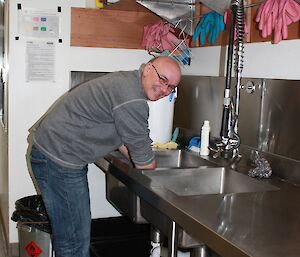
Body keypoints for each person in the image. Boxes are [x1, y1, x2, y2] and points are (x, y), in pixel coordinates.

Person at [27, 56, 181, 257]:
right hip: (58, 160)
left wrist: (138, 153)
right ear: (148, 69)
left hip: (54, 155)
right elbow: (145, 163)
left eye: (171, 88)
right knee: (73, 244)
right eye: (163, 80)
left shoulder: (128, 83)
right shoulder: (133, 98)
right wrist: (164, 178)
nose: (164, 90)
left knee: (72, 236)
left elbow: (122, 138)